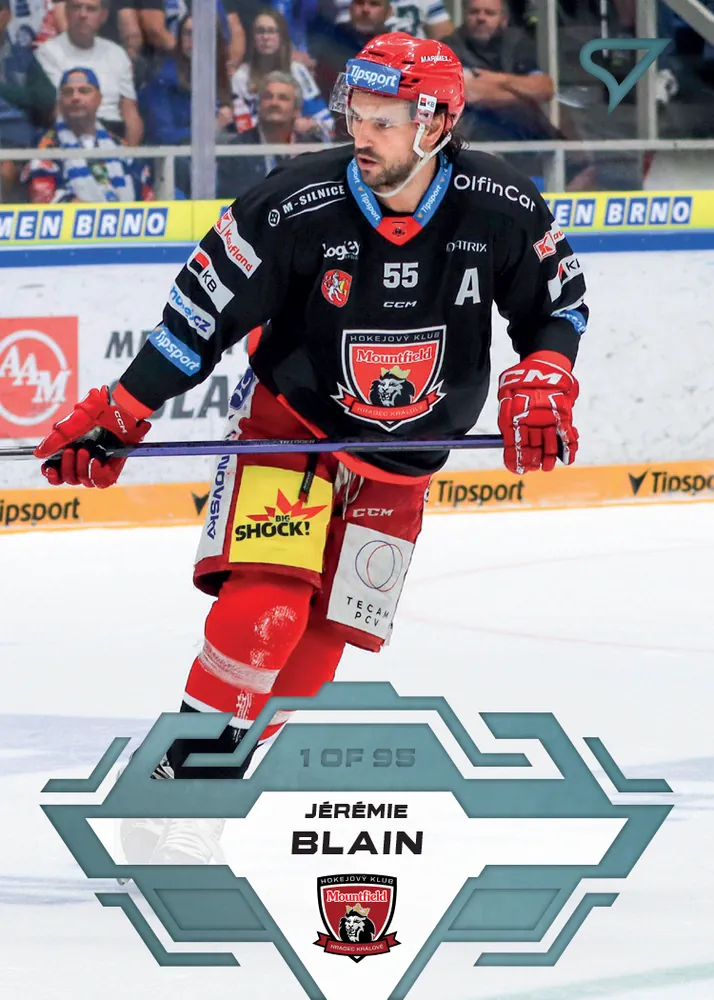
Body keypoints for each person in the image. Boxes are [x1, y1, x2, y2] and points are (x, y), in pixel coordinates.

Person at [34, 32, 586, 863]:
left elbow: (558, 305)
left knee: (322, 646)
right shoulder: (292, 204)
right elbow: (196, 323)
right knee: (269, 609)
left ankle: (205, 789)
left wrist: (547, 370)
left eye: (384, 120)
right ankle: (178, 790)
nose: (362, 133)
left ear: (437, 124)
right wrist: (123, 408)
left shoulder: (501, 204)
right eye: (356, 115)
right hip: (290, 431)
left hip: (404, 463)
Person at [22, 66, 153, 200]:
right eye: (68, 92)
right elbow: (45, 198)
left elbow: (146, 196)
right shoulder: (45, 146)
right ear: (60, 102)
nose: (75, 97)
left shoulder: (120, 147)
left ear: (99, 99)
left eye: (84, 91)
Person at [35, 0, 143, 144]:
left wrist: (129, 153)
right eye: (76, 7)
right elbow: (58, 109)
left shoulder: (117, 53)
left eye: (91, 9)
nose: (83, 15)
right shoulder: (48, 52)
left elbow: (130, 113)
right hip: (71, 133)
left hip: (115, 134)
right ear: (66, 12)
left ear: (103, 16)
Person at [219, 70, 325, 198]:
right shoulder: (237, 151)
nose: (274, 103)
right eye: (268, 97)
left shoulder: (312, 149)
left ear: (297, 110)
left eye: (283, 98)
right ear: (258, 106)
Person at [232, 8, 333, 139]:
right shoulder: (241, 77)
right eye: (260, 31)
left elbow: (327, 123)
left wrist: (310, 125)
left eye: (271, 31)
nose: (265, 37)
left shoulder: (298, 71)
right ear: (253, 38)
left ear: (282, 37)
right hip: (258, 145)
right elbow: (243, 128)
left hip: (296, 143)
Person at [139, 13, 233, 146]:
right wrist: (209, 130)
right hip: (177, 154)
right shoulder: (163, 79)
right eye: (188, 33)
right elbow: (162, 135)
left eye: (201, 34)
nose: (194, 40)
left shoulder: (220, 76)